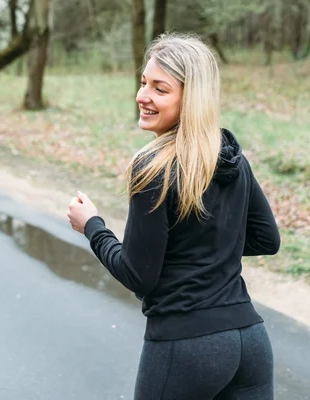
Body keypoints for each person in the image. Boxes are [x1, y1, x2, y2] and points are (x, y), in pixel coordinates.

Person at [67, 32, 280, 400]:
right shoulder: (232, 157)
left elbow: (138, 276)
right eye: (143, 82)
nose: (142, 96)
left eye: (160, 89)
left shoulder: (154, 168)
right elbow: (266, 239)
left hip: (187, 348)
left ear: (190, 99)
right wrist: (205, 250)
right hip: (251, 343)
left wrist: (92, 227)